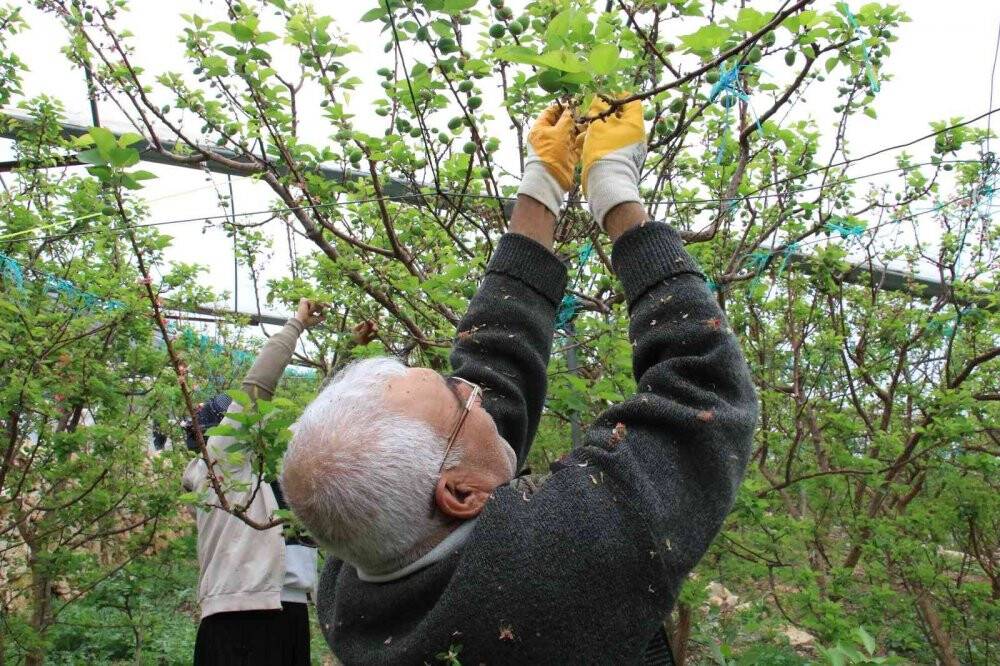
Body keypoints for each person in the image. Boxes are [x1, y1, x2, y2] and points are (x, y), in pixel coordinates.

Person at [280, 99, 758, 664]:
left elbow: (489, 376)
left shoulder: (355, 580)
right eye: (459, 400)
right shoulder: (561, 562)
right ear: (459, 495)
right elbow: (704, 394)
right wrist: (616, 193)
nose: (472, 388)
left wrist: (543, 187)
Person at [181, 298, 326, 666]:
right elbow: (259, 383)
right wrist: (296, 324)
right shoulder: (221, 459)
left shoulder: (258, 473)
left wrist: (351, 352)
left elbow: (320, 422)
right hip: (244, 615)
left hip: (285, 611)